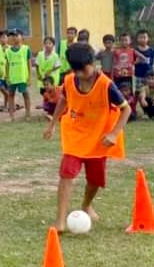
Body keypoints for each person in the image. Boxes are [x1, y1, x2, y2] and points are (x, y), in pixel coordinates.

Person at [43, 43, 130, 233]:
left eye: (83, 69)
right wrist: (52, 124)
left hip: (99, 137)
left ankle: (86, 205)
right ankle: (60, 221)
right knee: (66, 173)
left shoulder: (106, 84)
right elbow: (64, 100)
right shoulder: (68, 81)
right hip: (75, 134)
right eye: (76, 70)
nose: (81, 74)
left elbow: (127, 109)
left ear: (92, 62)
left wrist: (114, 133)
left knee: (95, 179)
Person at [6, 29, 33, 121]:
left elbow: (29, 64)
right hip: (12, 77)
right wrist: (7, 77)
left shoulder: (26, 49)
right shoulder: (8, 50)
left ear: (22, 37)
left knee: (26, 94)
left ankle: (28, 114)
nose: (14, 37)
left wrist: (29, 77)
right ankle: (11, 115)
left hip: (22, 77)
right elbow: (7, 64)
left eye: (16, 35)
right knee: (11, 95)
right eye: (12, 36)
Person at [111, 32, 136, 103]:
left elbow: (138, 59)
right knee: (118, 92)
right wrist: (112, 75)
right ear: (119, 41)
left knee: (129, 92)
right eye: (122, 40)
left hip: (128, 75)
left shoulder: (132, 51)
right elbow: (113, 64)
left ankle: (131, 108)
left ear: (130, 41)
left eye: (126, 40)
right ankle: (119, 107)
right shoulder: (116, 51)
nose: (124, 42)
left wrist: (132, 65)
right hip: (118, 76)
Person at [0, 29, 10, 112]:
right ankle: (11, 102)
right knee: (1, 88)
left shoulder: (10, 49)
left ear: (7, 38)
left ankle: (6, 105)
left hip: (8, 74)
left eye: (4, 37)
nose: (2, 39)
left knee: (7, 89)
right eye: (1, 37)